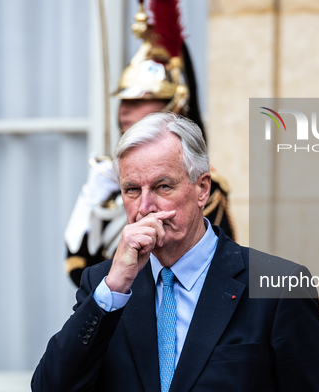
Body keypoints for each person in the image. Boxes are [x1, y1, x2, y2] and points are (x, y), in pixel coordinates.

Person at [31, 112, 319, 392]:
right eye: (131, 190)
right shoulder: (106, 284)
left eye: (163, 186)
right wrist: (114, 289)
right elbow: (51, 388)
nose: (144, 207)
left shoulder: (278, 287)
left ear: (203, 189)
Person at [64, 0, 235, 287]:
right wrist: (90, 204)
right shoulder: (106, 181)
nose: (125, 113)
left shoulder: (210, 188)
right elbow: (79, 268)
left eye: (140, 101)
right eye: (124, 103)